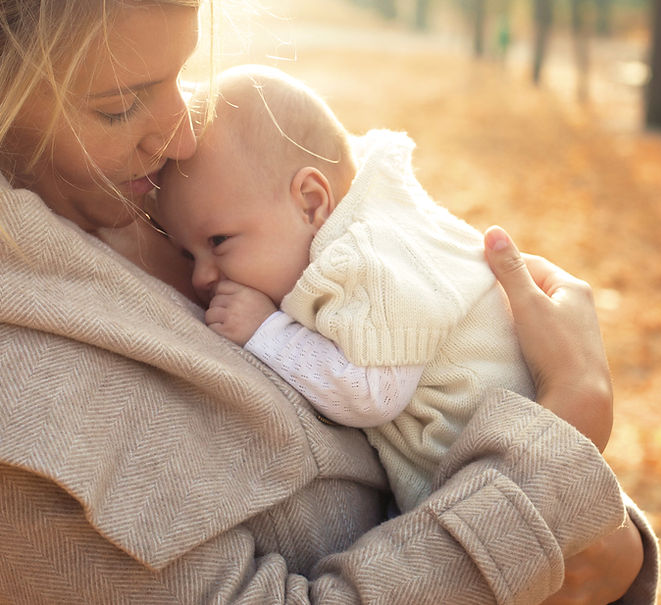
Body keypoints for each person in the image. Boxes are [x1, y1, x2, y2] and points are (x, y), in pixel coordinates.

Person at [0, 0, 659, 602]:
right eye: (122, 102)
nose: (182, 130)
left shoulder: (185, 171)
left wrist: (602, 539)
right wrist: (564, 438)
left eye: (180, 75)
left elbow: (421, 353)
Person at [155, 65, 612, 513]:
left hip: (512, 467)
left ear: (311, 202)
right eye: (188, 255)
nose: (202, 277)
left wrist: (265, 331)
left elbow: (373, 393)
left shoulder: (367, 258)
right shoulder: (358, 225)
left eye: (218, 242)